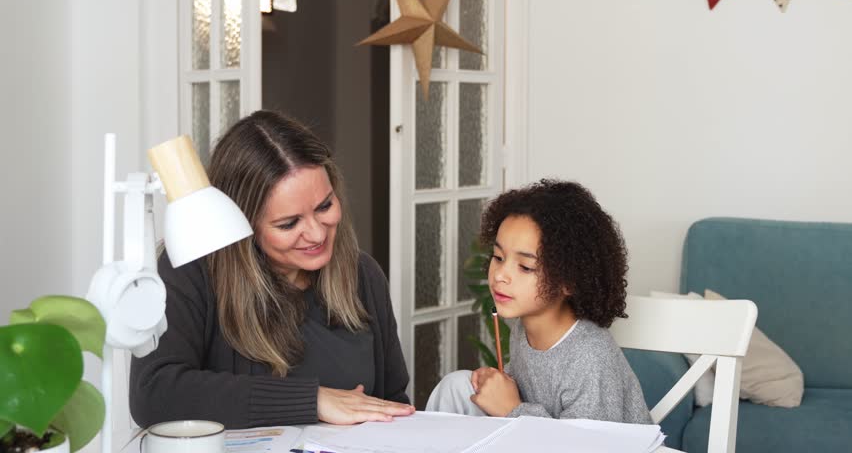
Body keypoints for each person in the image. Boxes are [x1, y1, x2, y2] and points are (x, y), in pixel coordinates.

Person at [130, 110, 414, 428]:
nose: (317, 234)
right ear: (243, 221)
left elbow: (393, 404)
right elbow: (154, 394)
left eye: (324, 206)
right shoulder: (192, 272)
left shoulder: (363, 276)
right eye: (289, 223)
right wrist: (312, 401)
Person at [426, 179, 651, 424]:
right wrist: (500, 386)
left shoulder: (591, 357)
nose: (500, 275)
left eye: (525, 267)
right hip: (535, 434)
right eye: (498, 257)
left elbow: (588, 441)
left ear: (569, 280)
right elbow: (533, 389)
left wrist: (511, 408)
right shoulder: (523, 328)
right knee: (457, 385)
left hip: (595, 443)